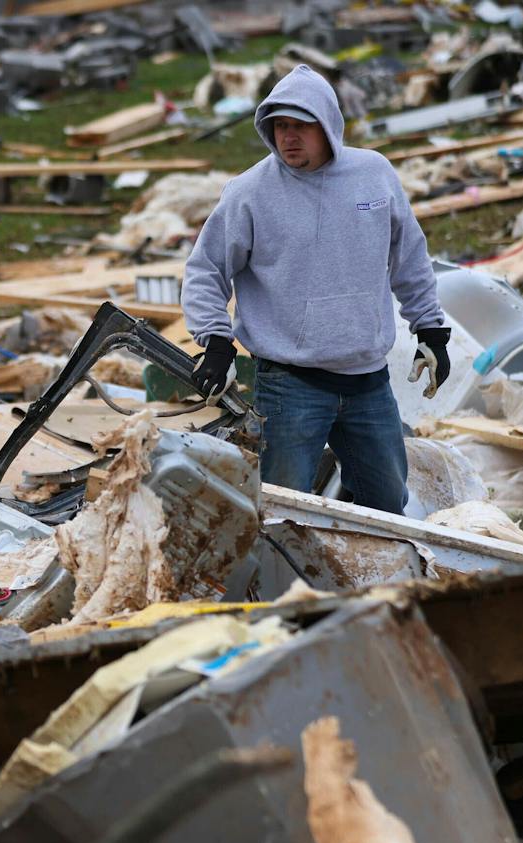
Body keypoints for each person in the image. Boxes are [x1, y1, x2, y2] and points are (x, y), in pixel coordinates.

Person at [181, 64, 450, 516]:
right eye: (279, 126)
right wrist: (216, 342)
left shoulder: (374, 174)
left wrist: (431, 330)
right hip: (291, 386)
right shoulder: (249, 192)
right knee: (284, 513)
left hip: (368, 382)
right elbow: (206, 269)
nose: (288, 137)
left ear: (327, 125)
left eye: (300, 126)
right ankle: (286, 567)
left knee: (387, 506)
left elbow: (409, 256)